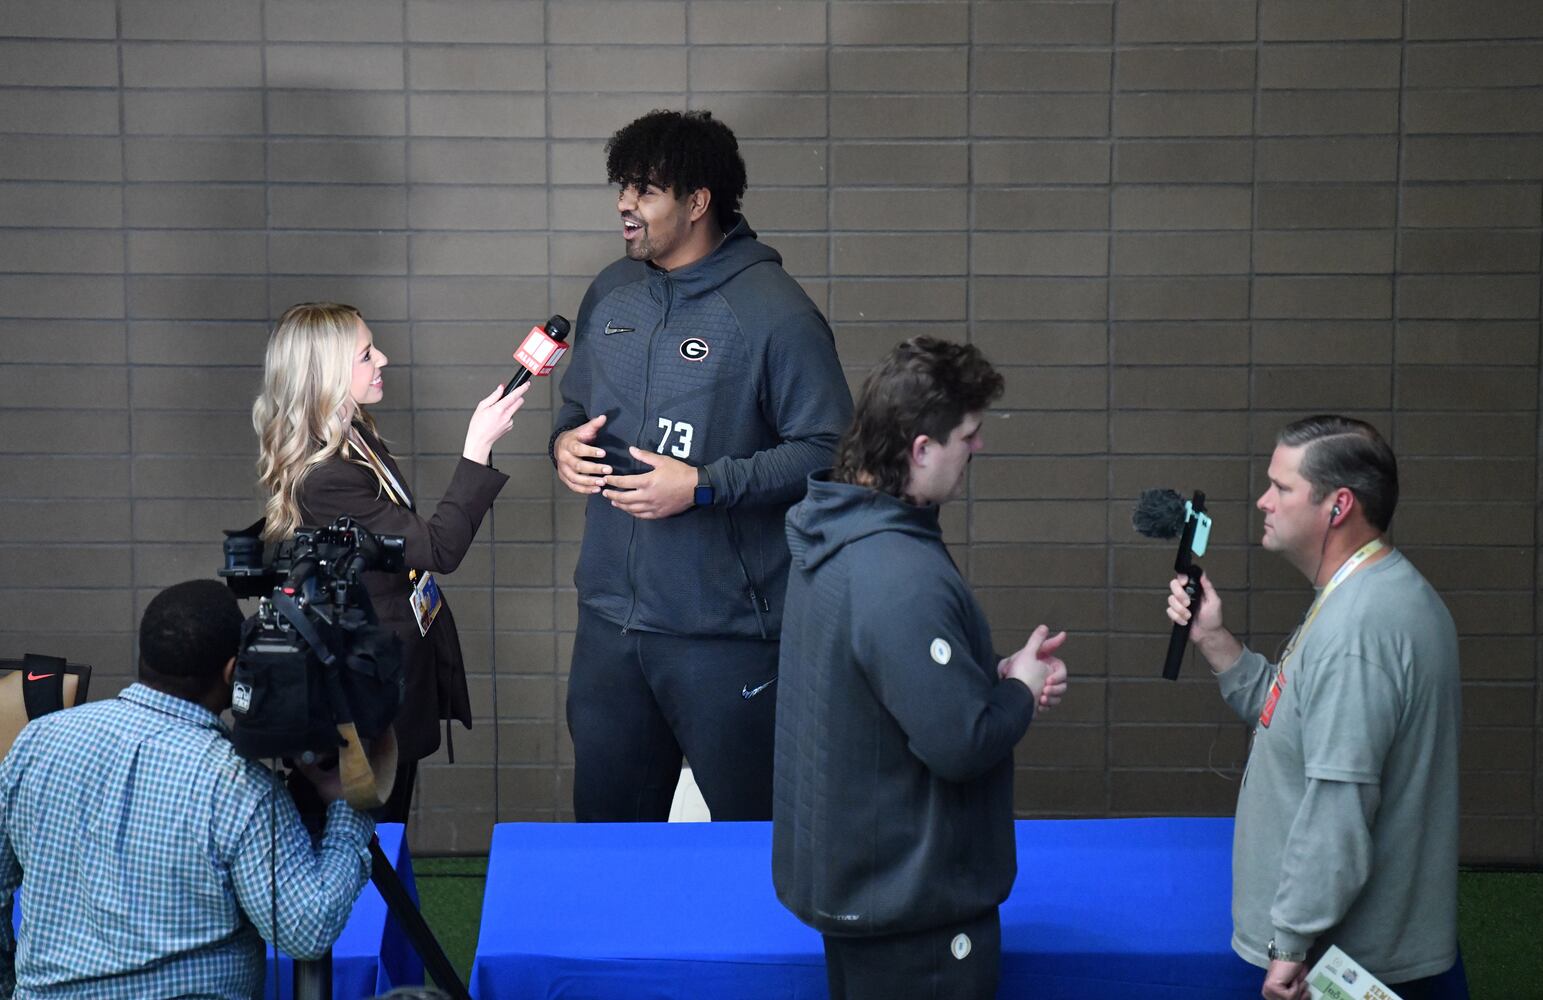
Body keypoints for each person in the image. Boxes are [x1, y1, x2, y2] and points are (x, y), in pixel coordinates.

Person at [550, 109, 853, 822]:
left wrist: (706, 486)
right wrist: (564, 444)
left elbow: (830, 450)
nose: (625, 204)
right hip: (610, 626)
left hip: (727, 637)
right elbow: (574, 408)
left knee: (756, 846)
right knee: (609, 840)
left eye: (646, 189)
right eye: (622, 186)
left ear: (696, 202)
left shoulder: (772, 311)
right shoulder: (610, 293)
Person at [772, 338, 1069, 1000]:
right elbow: (960, 744)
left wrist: (988, 674)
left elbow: (876, 685)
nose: (978, 448)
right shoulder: (898, 574)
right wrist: (1018, 689)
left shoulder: (831, 537)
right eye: (968, 435)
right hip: (912, 917)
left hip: (861, 891)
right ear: (920, 449)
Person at [1165, 415, 1460, 1000]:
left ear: (1338, 505)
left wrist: (1290, 945)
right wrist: (1213, 639)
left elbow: (1339, 803)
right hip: (1350, 955)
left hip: (1343, 968)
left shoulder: (1360, 630)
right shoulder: (1367, 597)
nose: (1262, 501)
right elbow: (1294, 716)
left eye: (1281, 487)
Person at [0, 580, 377, 998]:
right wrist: (346, 808)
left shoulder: (37, 740)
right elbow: (307, 928)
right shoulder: (238, 782)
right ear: (233, 673)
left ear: (146, 655)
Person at [253, 301, 528, 821]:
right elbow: (438, 548)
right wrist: (477, 449)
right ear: (327, 373)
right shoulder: (328, 475)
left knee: (390, 814)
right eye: (365, 354)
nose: (383, 358)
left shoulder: (355, 436)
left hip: (386, 662)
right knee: (373, 824)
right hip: (366, 678)